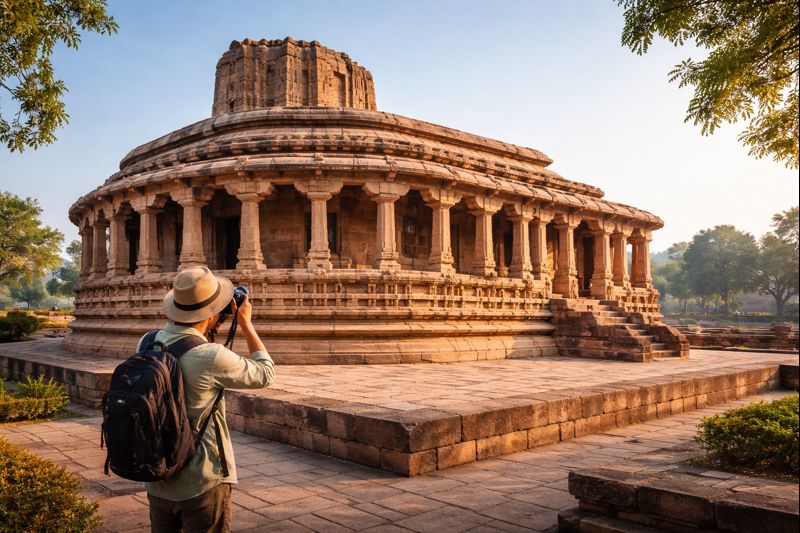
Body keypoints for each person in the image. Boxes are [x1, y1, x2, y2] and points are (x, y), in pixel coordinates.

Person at [143, 266, 275, 533]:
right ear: (213, 312)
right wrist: (246, 323)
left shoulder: (147, 343)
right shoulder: (210, 355)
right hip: (201, 479)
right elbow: (265, 373)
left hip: (157, 475)